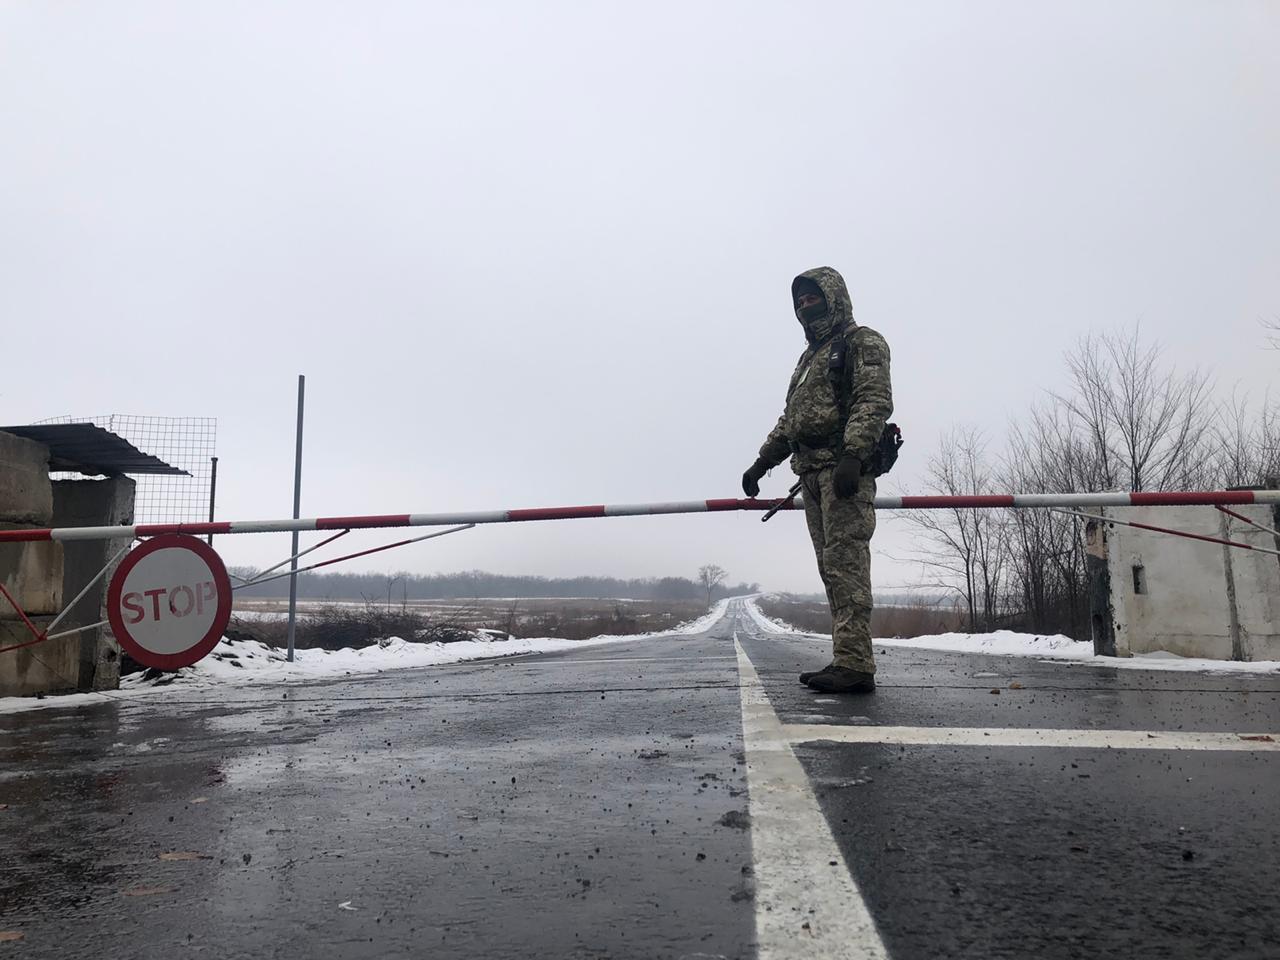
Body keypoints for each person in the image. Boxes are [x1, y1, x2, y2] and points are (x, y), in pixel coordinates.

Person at [741, 267, 892, 694]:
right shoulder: (809, 358)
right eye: (801, 301)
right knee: (831, 569)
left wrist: (853, 456)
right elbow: (792, 420)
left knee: (846, 566)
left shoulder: (861, 342)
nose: (806, 306)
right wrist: (761, 463)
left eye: (814, 298)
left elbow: (873, 400)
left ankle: (855, 665)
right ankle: (847, 658)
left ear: (833, 298)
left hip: (842, 473)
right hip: (810, 472)